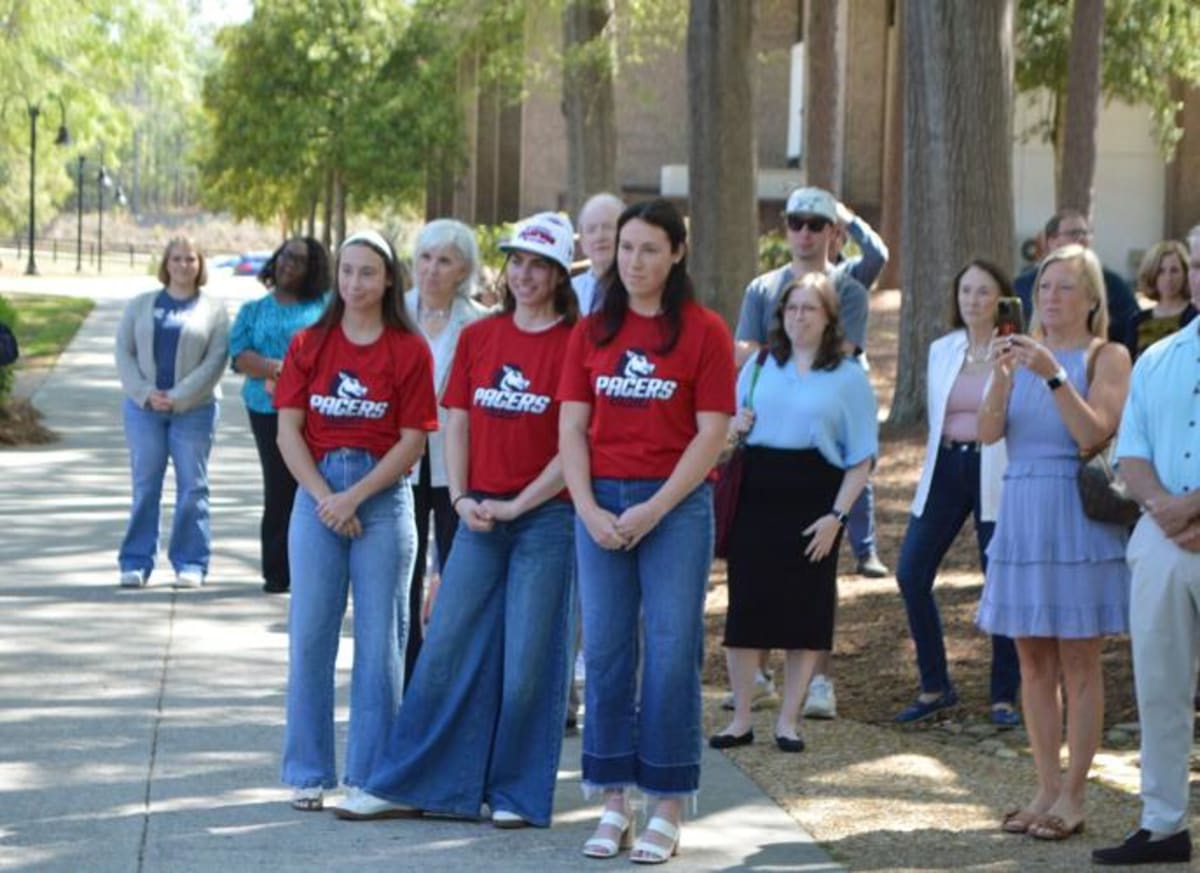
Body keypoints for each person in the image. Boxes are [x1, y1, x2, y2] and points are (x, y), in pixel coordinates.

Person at [330, 212, 578, 828]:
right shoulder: (480, 338)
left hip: (546, 519)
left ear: (557, 275)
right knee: (443, 648)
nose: (524, 274)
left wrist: (523, 502)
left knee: (526, 663)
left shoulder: (577, 342)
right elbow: (457, 420)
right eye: (517, 261)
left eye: (538, 265)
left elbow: (580, 441)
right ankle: (410, 781)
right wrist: (464, 497)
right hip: (479, 516)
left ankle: (516, 792)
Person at [559, 199, 734, 863]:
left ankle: (666, 803)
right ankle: (612, 800)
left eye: (649, 249)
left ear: (677, 254)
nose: (634, 261)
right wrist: (588, 506)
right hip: (599, 502)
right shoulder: (592, 330)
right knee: (604, 652)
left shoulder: (703, 331)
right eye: (625, 247)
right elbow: (571, 426)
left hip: (676, 507)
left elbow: (711, 433)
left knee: (669, 650)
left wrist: (655, 508)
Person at [274, 231, 436, 812]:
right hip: (316, 495)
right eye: (347, 271)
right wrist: (325, 498)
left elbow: (413, 441)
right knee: (310, 637)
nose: (355, 283)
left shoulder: (408, 350)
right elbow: (287, 430)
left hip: (384, 499)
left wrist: (355, 497)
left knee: (381, 643)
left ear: (389, 279)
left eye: (368, 272)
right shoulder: (309, 343)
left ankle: (369, 776)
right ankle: (309, 772)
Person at [976, 244, 1132, 840]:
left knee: (1079, 660)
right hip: (1022, 511)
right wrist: (1002, 375)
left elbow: (1094, 433)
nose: (1051, 297)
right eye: (1044, 287)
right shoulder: (1019, 356)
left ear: (1092, 299)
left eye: (1065, 287)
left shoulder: (1107, 356)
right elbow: (988, 432)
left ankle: (1074, 794)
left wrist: (1054, 375)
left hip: (1077, 515)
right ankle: (1045, 784)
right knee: (1032, 661)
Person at [732, 185, 881, 724]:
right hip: (766, 445)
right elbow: (748, 353)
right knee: (759, 569)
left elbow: (843, 354)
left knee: (817, 570)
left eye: (817, 224)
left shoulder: (850, 289)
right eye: (796, 221)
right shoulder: (761, 288)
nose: (804, 232)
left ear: (833, 231)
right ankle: (762, 679)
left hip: (828, 443)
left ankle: (820, 681)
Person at [713, 273, 876, 755]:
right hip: (756, 495)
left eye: (809, 308)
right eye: (791, 308)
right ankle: (742, 716)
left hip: (814, 501)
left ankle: (789, 719)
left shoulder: (848, 377)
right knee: (746, 609)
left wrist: (837, 517)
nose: (799, 317)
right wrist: (734, 426)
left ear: (828, 318)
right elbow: (722, 434)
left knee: (805, 613)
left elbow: (861, 458)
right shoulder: (760, 365)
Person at [1091, 227, 1200, 867]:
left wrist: (1190, 507)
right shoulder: (1159, 358)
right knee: (1159, 684)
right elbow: (1130, 450)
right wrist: (1165, 507)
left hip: (1178, 520)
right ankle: (1163, 826)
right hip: (1161, 542)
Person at [892, 259, 1020, 725]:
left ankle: (1004, 694)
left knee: (1000, 580)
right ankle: (934, 685)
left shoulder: (1017, 351)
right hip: (946, 465)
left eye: (983, 292)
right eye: (966, 291)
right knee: (911, 571)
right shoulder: (942, 349)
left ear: (1001, 298)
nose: (973, 301)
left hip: (995, 468)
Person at [114, 236, 229, 589]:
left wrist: (178, 396)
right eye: (176, 259)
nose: (183, 265)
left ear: (200, 265)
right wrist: (146, 393)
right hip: (143, 409)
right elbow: (124, 352)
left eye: (190, 259)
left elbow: (216, 359)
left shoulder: (213, 309)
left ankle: (191, 562)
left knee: (193, 487)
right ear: (165, 264)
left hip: (195, 410)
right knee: (145, 486)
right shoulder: (140, 304)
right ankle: (136, 561)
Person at [403, 220, 490, 679]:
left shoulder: (479, 322)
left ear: (463, 271)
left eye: (444, 261)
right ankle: (409, 666)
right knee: (406, 570)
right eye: (424, 257)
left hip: (457, 466)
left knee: (457, 569)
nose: (431, 270)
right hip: (399, 463)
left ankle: (450, 668)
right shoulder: (393, 314)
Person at [229, 237, 330, 593]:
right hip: (266, 408)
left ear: (313, 269)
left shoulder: (327, 307)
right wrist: (276, 368)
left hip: (320, 409)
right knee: (279, 487)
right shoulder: (254, 310)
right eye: (286, 256)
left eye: (300, 260)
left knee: (316, 483)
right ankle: (277, 571)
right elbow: (239, 356)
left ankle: (316, 567)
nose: (290, 264)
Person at [1013, 210, 1139, 354]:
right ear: (1052, 241)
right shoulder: (1023, 284)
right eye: (1074, 233)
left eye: (1086, 234)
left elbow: (1133, 327)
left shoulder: (1113, 283)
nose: (1082, 239)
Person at [1130, 239, 1196, 358]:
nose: (1168, 278)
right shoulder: (1137, 320)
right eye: (1161, 271)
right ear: (1152, 274)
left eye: (1174, 270)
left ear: (1185, 273)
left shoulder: (1195, 317)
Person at [572, 192, 624, 315]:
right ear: (582, 240)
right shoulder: (570, 291)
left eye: (608, 227)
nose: (600, 236)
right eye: (591, 229)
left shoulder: (640, 290)